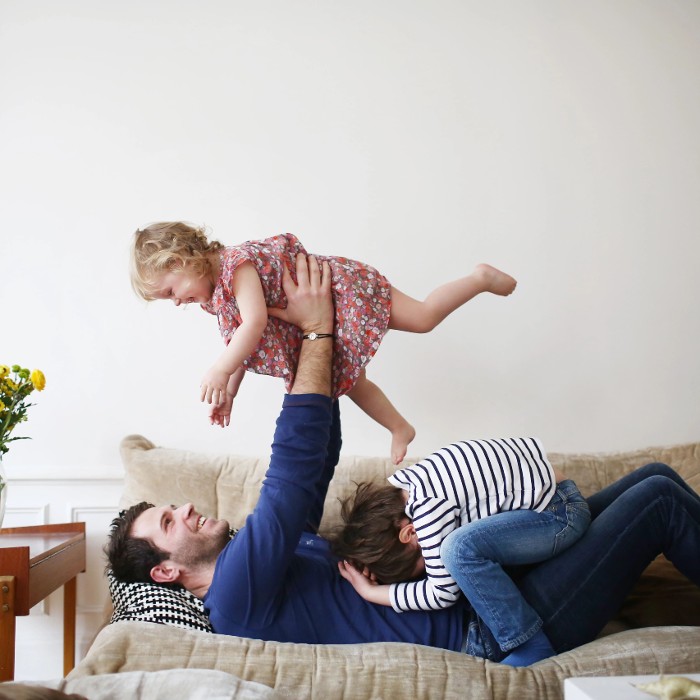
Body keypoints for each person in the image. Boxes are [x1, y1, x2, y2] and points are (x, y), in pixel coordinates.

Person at [108, 253, 700, 664]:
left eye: (171, 507)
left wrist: (317, 355)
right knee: (658, 500)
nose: (184, 508)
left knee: (651, 477)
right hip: (493, 628)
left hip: (496, 583)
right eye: (168, 522)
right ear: (166, 573)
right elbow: (287, 485)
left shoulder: (259, 563)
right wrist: (316, 334)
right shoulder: (235, 593)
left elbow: (311, 468)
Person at [129, 222, 517, 463]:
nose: (176, 302)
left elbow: (256, 322)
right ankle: (400, 426)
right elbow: (240, 341)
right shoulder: (215, 298)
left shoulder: (236, 264)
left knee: (423, 318)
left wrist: (219, 368)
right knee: (348, 383)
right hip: (313, 321)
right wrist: (230, 392)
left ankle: (480, 278)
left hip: (340, 291)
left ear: (183, 259)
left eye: (170, 291)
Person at [331, 438, 591, 665]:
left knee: (455, 551)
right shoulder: (413, 480)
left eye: (420, 563)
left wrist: (372, 592)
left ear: (409, 534)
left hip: (558, 515)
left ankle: (528, 645)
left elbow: (442, 593)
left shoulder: (427, 512)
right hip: (557, 498)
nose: (429, 567)